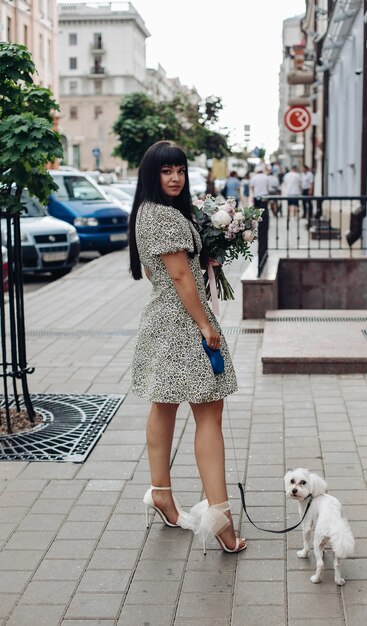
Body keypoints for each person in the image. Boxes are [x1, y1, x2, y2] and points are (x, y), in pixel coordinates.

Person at [129, 140, 246, 554]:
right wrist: (203, 324)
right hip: (183, 322)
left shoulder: (146, 213)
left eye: (179, 169)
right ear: (152, 175)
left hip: (162, 319)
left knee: (163, 406)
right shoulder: (165, 217)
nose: (175, 177)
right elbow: (180, 277)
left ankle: (162, 493)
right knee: (209, 415)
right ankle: (221, 520)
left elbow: (153, 271)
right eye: (166, 171)